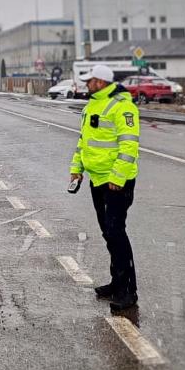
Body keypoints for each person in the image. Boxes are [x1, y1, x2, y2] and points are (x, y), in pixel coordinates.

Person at [69, 65, 140, 310]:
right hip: (97, 180)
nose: (87, 84)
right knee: (108, 232)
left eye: (90, 81)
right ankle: (116, 282)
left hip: (116, 183)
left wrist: (118, 177)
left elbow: (129, 145)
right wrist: (76, 169)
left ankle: (128, 292)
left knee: (116, 232)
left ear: (100, 82)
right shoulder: (91, 106)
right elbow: (83, 142)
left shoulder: (123, 107)